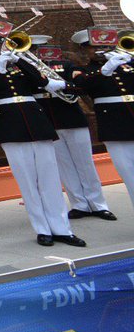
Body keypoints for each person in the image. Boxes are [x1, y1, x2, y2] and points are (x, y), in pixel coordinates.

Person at [0, 32, 84, 247]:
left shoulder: (20, 65)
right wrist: (0, 69)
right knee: (28, 181)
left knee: (50, 178)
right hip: (10, 126)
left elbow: (40, 82)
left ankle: (62, 229)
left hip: (36, 123)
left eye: (0, 45)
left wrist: (20, 61)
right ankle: (42, 229)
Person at [36, 34, 114, 220]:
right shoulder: (27, 70)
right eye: (32, 50)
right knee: (64, 166)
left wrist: (62, 84)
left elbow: (80, 86)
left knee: (85, 163)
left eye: (40, 48)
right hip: (48, 121)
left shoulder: (66, 65)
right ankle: (79, 204)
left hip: (72, 118)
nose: (36, 53)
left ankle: (98, 204)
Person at [68, 29, 134, 212]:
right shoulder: (82, 70)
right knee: (130, 175)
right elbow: (80, 86)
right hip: (115, 126)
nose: (103, 50)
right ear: (86, 50)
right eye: (96, 47)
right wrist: (105, 70)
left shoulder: (127, 64)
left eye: (107, 45)